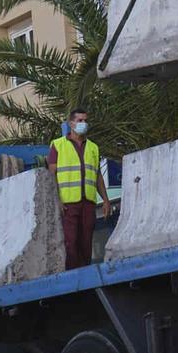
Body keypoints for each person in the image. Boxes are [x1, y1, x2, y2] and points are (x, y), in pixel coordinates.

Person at [50, 108, 106, 269]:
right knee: (70, 241)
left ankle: (86, 272)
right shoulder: (58, 145)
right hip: (68, 204)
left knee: (86, 241)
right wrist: (57, 200)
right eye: (80, 120)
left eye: (85, 120)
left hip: (88, 203)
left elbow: (97, 175)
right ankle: (74, 275)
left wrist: (106, 200)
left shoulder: (93, 147)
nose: (83, 124)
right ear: (71, 123)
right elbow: (51, 175)